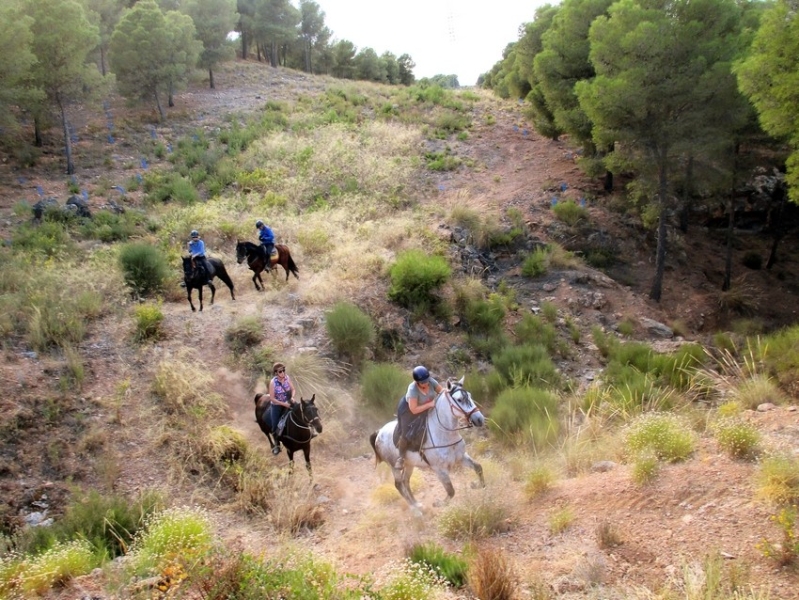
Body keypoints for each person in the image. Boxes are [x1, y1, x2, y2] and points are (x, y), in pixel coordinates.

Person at [394, 365, 443, 470]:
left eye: (426, 381)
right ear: (417, 382)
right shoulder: (413, 389)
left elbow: (442, 392)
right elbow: (414, 409)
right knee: (406, 432)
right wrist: (430, 404)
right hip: (408, 410)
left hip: (426, 406)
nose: (425, 384)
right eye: (422, 383)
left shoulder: (431, 381)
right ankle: (401, 458)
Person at [268, 361, 296, 455]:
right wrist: (283, 404)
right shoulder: (273, 383)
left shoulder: (287, 378)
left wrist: (292, 397)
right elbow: (272, 398)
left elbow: (293, 389)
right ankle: (277, 445)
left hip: (288, 401)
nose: (283, 373)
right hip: (277, 404)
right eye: (280, 371)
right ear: (276, 373)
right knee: (275, 425)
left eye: (283, 370)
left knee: (301, 411)